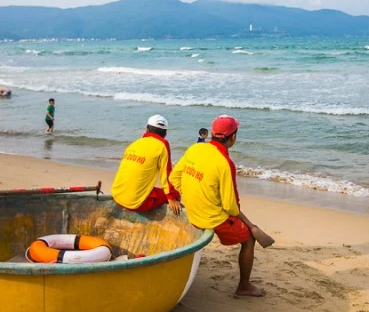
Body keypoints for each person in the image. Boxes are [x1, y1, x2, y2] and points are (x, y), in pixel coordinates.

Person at [170, 115, 274, 297]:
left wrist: (193, 193)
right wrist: (249, 224)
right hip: (210, 217)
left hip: (191, 209)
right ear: (233, 137)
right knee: (249, 239)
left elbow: (174, 178)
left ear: (212, 133)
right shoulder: (225, 163)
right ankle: (244, 286)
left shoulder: (195, 148)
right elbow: (230, 206)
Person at [111, 114, 181, 215]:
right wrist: (171, 198)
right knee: (176, 195)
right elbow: (166, 174)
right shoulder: (162, 144)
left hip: (116, 195)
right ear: (165, 133)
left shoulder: (135, 144)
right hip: (136, 203)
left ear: (147, 129)